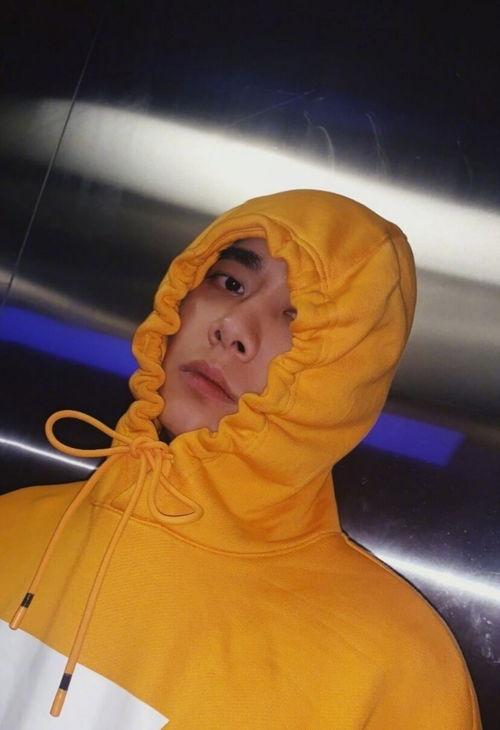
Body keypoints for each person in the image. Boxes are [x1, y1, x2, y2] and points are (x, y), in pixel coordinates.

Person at [0, 189, 481, 728]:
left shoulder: (398, 669)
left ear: (345, 378)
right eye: (230, 283)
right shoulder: (11, 524)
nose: (233, 327)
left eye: (296, 318)